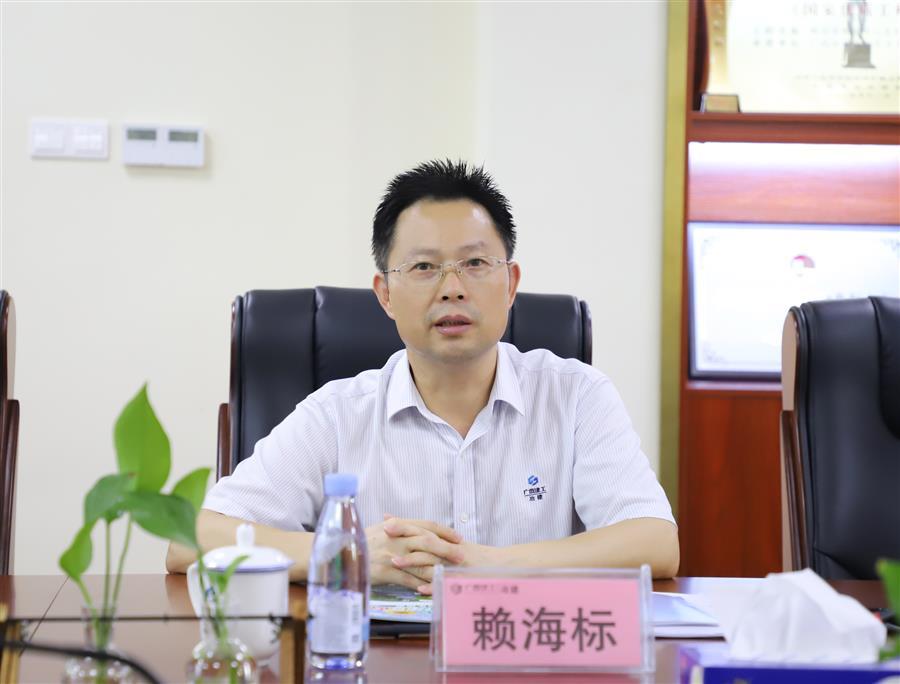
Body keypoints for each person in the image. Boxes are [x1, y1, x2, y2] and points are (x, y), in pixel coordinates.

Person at [166, 160, 679, 591]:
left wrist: (487, 563)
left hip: (527, 656)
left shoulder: (576, 395)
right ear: (385, 295)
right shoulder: (336, 415)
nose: (452, 288)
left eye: (475, 263)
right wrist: (345, 552)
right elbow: (189, 541)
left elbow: (654, 541)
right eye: (424, 267)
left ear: (510, 284)